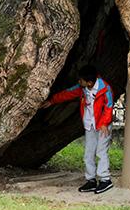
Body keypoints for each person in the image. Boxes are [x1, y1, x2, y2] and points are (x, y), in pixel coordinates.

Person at [41, 64, 114, 194]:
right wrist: (52, 101)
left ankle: (105, 179)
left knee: (101, 152)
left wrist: (104, 123)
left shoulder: (105, 89)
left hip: (103, 127)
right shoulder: (82, 88)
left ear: (90, 82)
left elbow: (108, 107)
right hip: (90, 124)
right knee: (88, 153)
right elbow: (67, 93)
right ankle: (91, 180)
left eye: (81, 80)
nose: (79, 82)